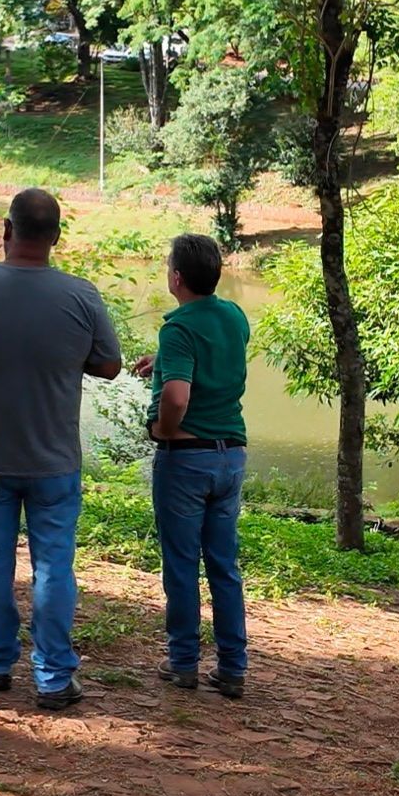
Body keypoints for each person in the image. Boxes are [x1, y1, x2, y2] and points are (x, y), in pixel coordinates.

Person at [0, 189, 122, 711]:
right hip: (53, 457)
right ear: (56, 237)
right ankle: (54, 678)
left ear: (5, 231)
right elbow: (108, 365)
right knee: (54, 565)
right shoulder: (82, 295)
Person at [131, 234, 253, 699]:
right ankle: (232, 667)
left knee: (182, 564)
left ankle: (183, 662)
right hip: (231, 456)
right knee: (224, 564)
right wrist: (163, 361)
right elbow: (217, 353)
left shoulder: (178, 327)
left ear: (176, 278)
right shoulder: (234, 315)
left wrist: (163, 428)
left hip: (186, 460)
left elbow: (177, 396)